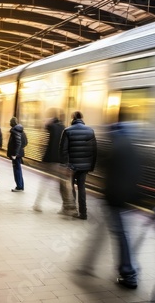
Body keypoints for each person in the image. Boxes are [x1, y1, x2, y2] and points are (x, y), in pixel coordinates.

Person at [100, 121, 142, 289]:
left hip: (115, 198)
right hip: (126, 198)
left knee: (121, 234)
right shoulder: (130, 145)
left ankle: (129, 272)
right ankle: (128, 269)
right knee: (121, 233)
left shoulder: (116, 146)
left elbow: (107, 168)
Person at [59, 111, 97, 220]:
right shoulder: (90, 131)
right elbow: (94, 150)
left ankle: (73, 210)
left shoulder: (67, 131)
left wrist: (65, 165)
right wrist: (91, 166)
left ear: (73, 118)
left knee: (70, 187)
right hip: (84, 166)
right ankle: (83, 213)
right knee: (82, 187)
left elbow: (63, 150)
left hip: (71, 166)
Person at [32, 115, 65, 212]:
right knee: (62, 184)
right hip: (59, 160)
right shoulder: (63, 128)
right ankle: (65, 207)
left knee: (45, 182)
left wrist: (47, 122)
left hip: (49, 160)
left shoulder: (52, 127)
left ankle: (37, 204)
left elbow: (46, 129)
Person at [7, 117, 28, 192]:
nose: (9, 123)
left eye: (10, 122)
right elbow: (25, 142)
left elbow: (18, 143)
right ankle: (21, 186)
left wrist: (15, 153)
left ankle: (19, 187)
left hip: (16, 154)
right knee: (18, 169)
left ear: (12, 123)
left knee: (17, 170)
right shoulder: (21, 131)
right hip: (19, 153)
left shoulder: (15, 131)